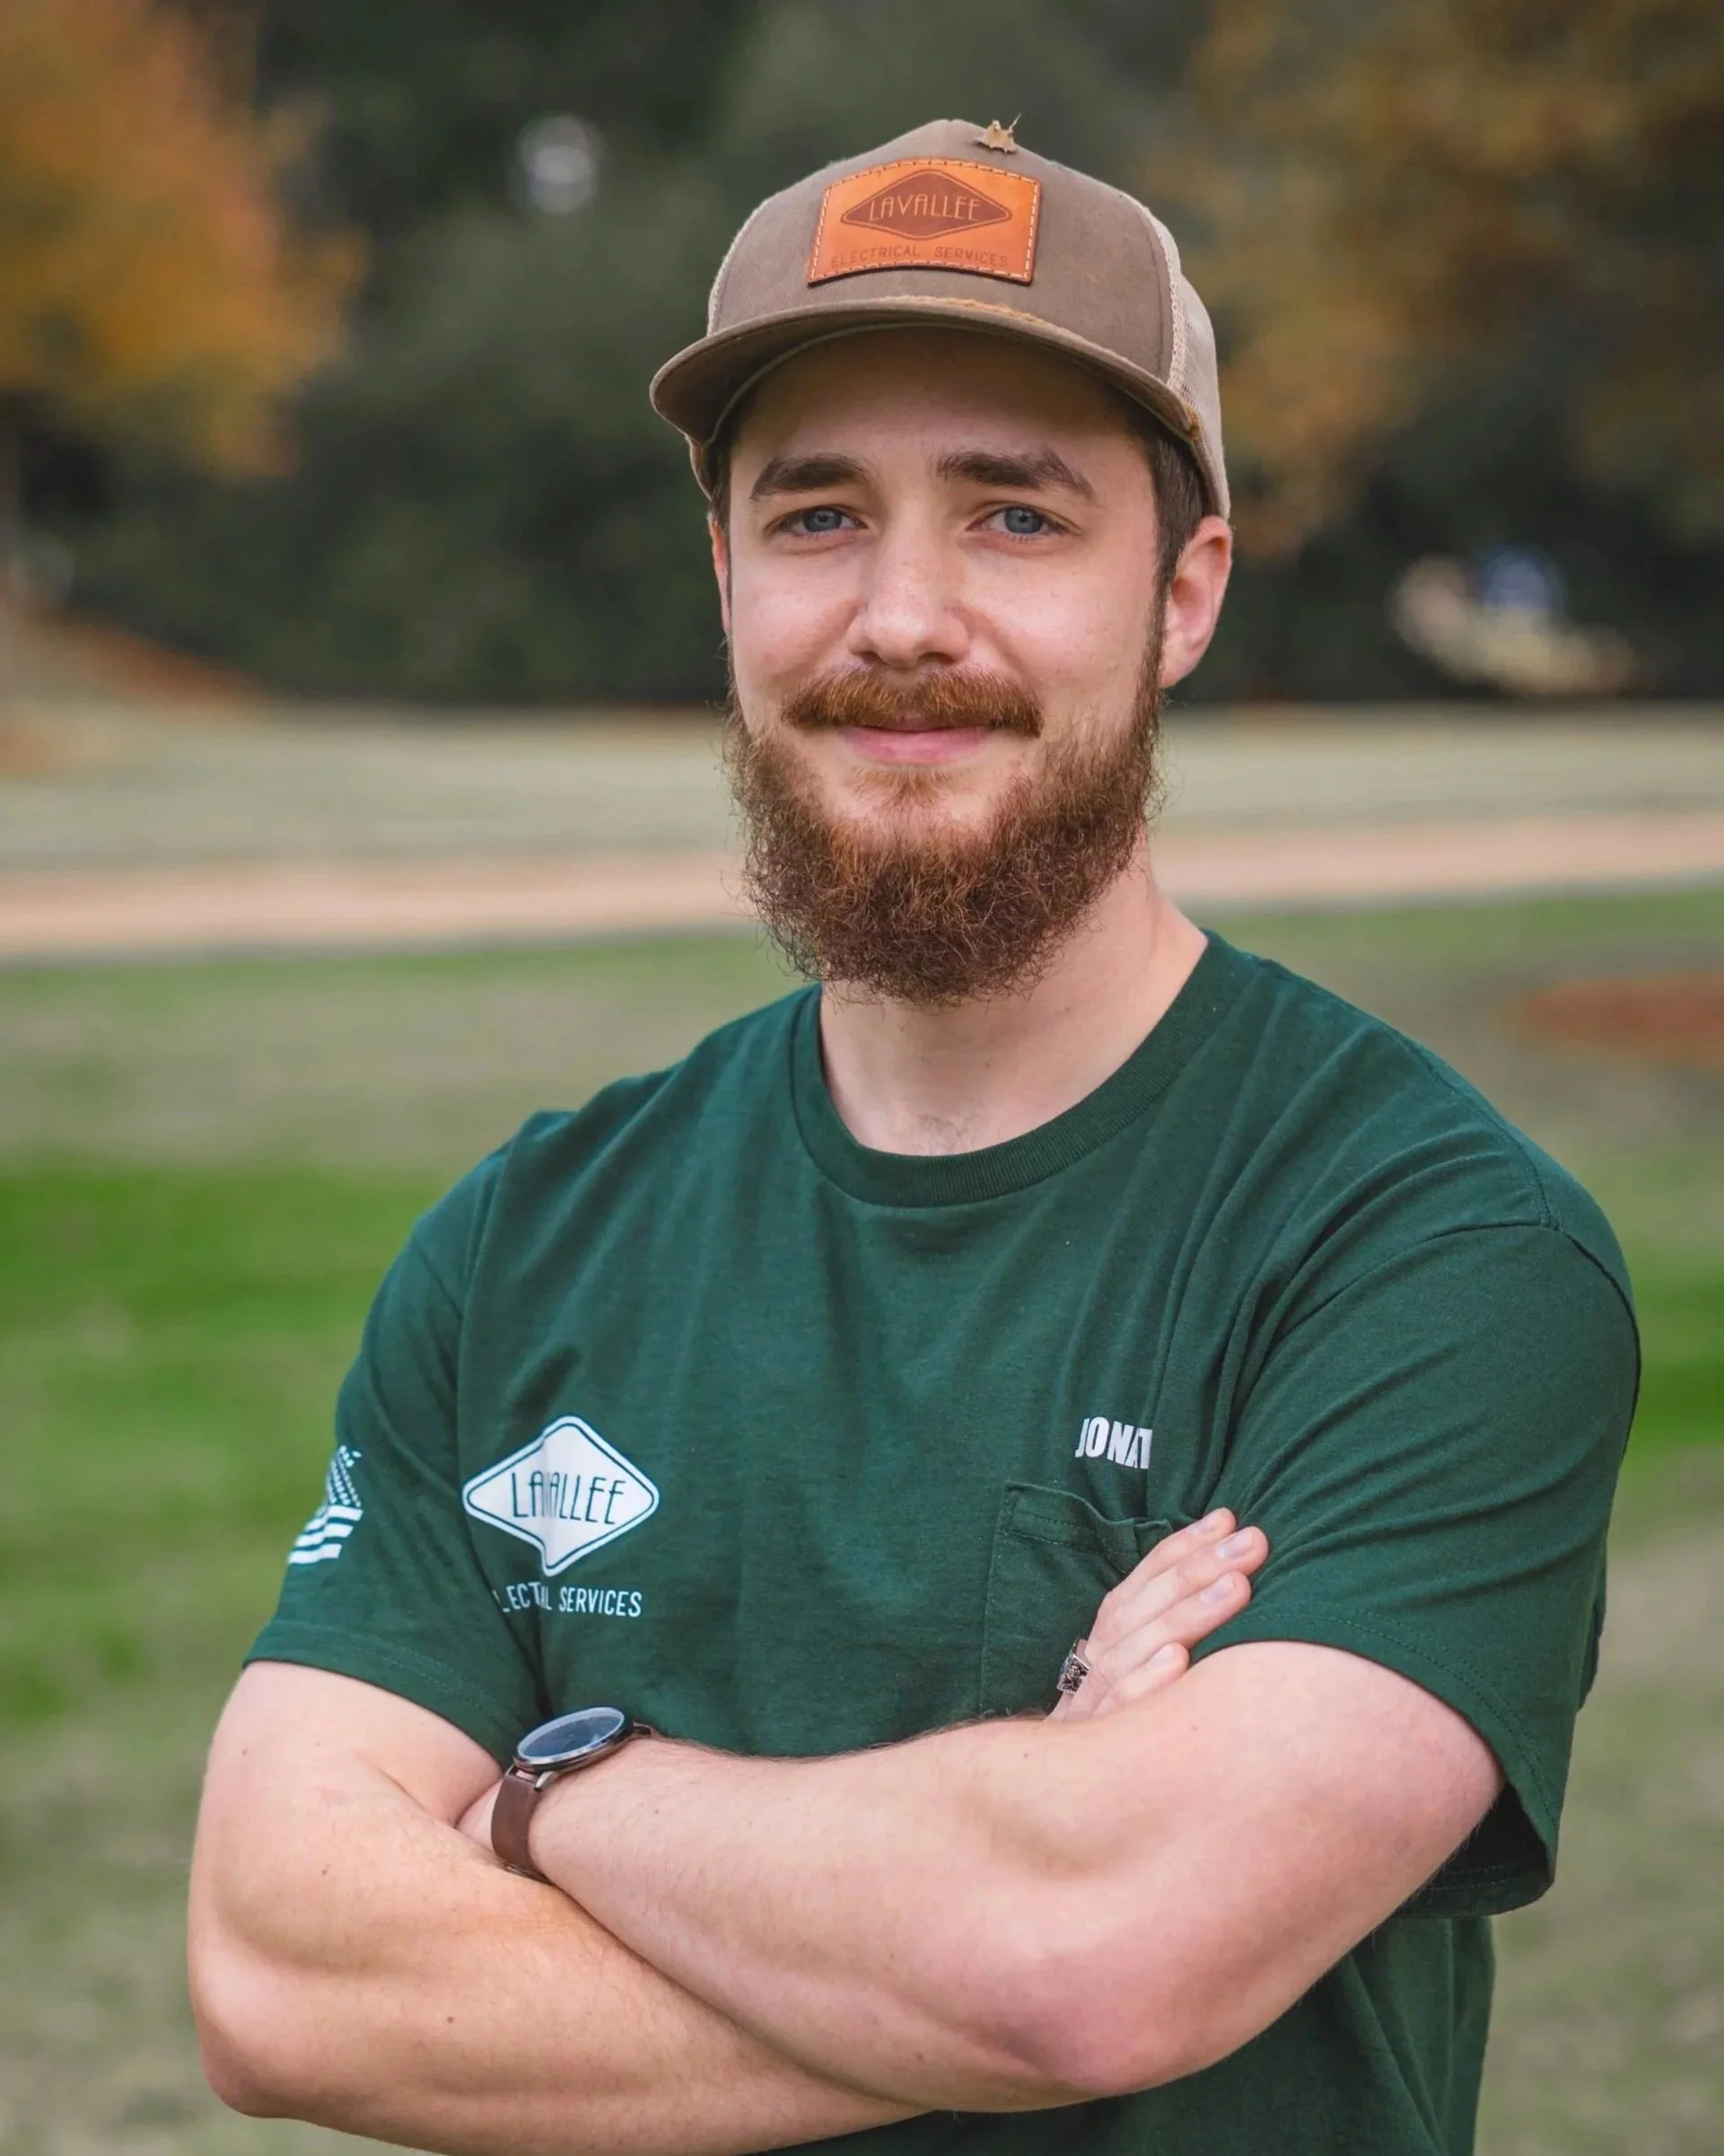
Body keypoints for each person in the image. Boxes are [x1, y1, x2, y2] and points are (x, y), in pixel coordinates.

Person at [188, 118, 1637, 2156]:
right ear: (723, 570)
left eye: (1019, 517)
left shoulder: (1428, 1252)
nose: (903, 616)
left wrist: (546, 1791)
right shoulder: (526, 1246)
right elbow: (276, 1970)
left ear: (1188, 587)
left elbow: (1099, 1956)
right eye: (816, 516)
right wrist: (1010, 1858)